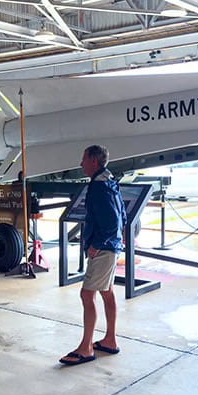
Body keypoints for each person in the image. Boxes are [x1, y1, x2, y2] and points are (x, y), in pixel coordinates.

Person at [60, 145, 126, 366]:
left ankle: (86, 347)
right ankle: (110, 339)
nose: (81, 164)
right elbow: (122, 216)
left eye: (84, 159)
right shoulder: (109, 181)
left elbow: (112, 221)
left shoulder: (98, 187)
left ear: (94, 162)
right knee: (107, 292)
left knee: (87, 295)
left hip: (105, 249)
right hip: (112, 245)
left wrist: (97, 245)